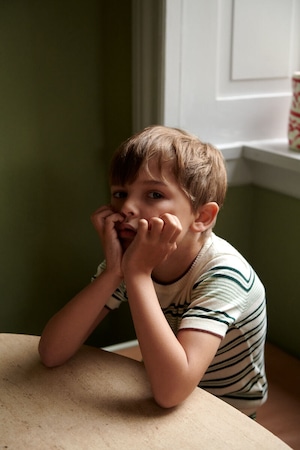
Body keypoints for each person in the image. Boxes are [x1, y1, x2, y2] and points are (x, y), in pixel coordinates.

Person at [39, 125, 268, 417]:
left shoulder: (224, 274)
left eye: (154, 194)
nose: (128, 207)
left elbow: (171, 392)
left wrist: (136, 275)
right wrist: (113, 272)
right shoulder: (133, 256)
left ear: (202, 216)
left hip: (227, 412)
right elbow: (51, 352)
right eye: (120, 193)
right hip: (165, 383)